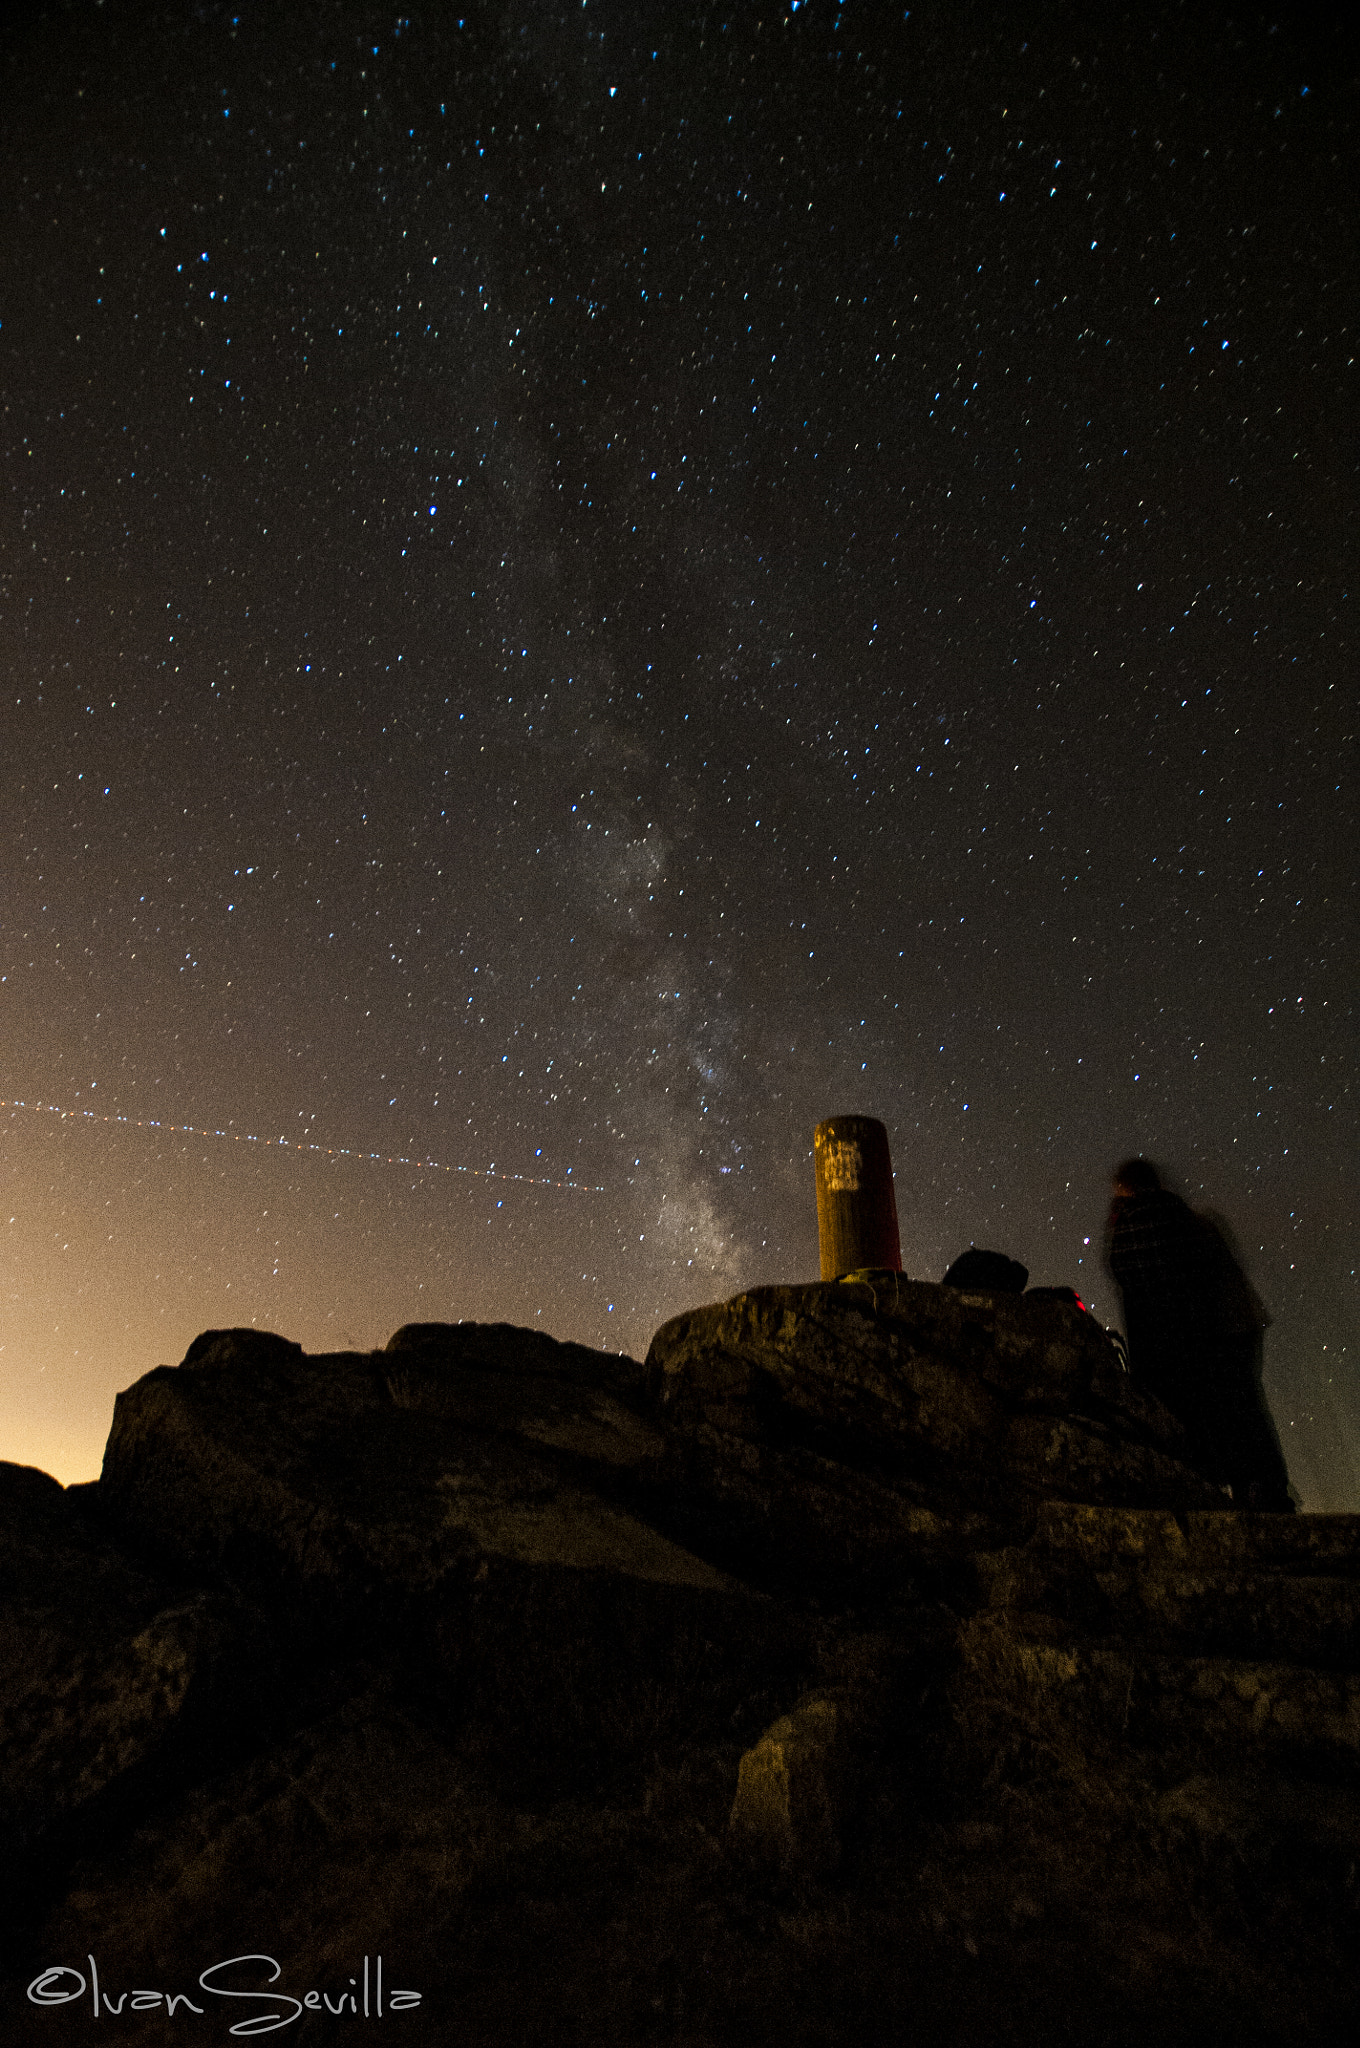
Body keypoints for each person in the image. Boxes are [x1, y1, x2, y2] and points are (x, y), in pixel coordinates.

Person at [1105, 1158, 1294, 1510]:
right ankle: (1264, 1492)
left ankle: (1246, 1492)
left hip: (1207, 1332)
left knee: (1227, 1411)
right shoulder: (1191, 1219)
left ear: (1127, 1189)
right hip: (1234, 1325)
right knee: (1243, 1409)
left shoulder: (1138, 1225)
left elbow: (1138, 1280)